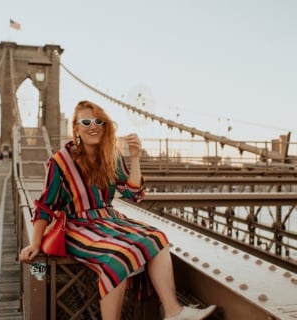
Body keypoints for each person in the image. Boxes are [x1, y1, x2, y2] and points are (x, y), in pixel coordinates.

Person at [19, 100, 217, 320]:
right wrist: (35, 243)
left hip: (109, 219)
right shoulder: (61, 162)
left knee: (157, 238)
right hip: (78, 225)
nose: (93, 126)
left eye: (99, 121)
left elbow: (135, 194)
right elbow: (46, 205)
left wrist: (134, 157)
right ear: (76, 128)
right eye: (86, 122)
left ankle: (174, 312)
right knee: (117, 257)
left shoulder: (111, 157)